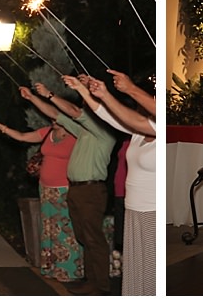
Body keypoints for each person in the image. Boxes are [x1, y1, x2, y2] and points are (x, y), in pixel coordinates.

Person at [19, 80, 116, 295]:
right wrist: (34, 98)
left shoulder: (103, 132)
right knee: (84, 237)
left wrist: (50, 93)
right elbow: (58, 115)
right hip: (79, 190)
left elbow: (73, 111)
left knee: (93, 238)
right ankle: (91, 281)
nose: (85, 108)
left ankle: (100, 286)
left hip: (91, 191)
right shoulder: (84, 132)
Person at [70, 71, 157, 296]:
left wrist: (129, 89)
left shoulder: (159, 129)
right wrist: (89, 92)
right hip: (133, 211)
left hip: (152, 213)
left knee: (151, 273)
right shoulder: (138, 132)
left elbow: (142, 117)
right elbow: (110, 116)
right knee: (136, 271)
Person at [0, 113, 84, 284]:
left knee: (65, 230)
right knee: (48, 228)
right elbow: (23, 137)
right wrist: (2, 128)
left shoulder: (74, 135)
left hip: (64, 189)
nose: (53, 120)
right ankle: (50, 266)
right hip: (45, 188)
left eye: (57, 118)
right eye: (53, 118)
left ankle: (69, 270)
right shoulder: (47, 132)